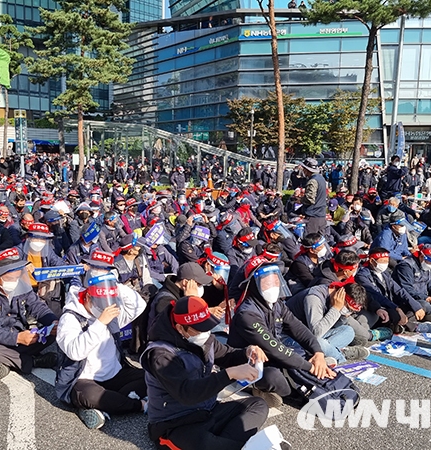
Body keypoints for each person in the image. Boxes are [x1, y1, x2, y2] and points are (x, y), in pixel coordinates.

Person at [142, 295, 270, 450]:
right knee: (205, 443)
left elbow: (226, 355)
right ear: (180, 328)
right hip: (175, 423)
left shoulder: (203, 338)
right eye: (199, 329)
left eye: (207, 326)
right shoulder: (161, 355)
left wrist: (247, 352)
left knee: (258, 404)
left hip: (207, 411)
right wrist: (228, 374)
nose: (206, 332)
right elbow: (186, 393)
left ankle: (225, 444)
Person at [228, 258, 335, 408]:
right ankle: (255, 389)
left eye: (275, 281)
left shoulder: (277, 305)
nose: (273, 286)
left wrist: (318, 353)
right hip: (249, 362)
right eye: (267, 282)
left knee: (303, 359)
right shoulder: (247, 314)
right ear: (254, 284)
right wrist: (311, 368)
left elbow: (298, 328)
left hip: (273, 355)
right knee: (276, 378)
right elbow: (273, 347)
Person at [56, 270, 148, 429]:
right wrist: (100, 323)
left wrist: (113, 284)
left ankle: (108, 405)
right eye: (101, 305)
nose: (106, 309)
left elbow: (139, 305)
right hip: (85, 379)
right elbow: (75, 352)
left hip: (114, 374)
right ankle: (136, 405)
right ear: (88, 297)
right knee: (89, 395)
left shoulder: (110, 309)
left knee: (151, 376)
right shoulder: (70, 317)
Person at [0, 247, 59, 379]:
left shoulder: (20, 285)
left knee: (51, 332)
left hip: (17, 336)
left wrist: (53, 322)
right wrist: (17, 338)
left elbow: (37, 306)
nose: (14, 282)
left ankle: (5, 361)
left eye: (17, 277)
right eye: (9, 278)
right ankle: (32, 361)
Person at [301, 158, 327, 236]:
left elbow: (310, 199)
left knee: (310, 240)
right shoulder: (321, 178)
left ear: (307, 169)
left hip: (313, 216)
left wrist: (300, 200)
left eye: (304, 169)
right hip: (321, 215)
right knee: (320, 242)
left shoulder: (312, 181)